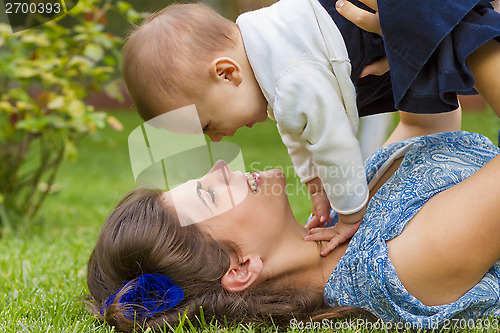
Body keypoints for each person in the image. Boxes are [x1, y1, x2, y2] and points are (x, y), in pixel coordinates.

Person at [121, 0, 475, 255]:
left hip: (367, 29)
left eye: (208, 125)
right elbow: (295, 129)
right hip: (357, 52)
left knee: (470, 39)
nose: (218, 138)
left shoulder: (291, 78)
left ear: (227, 73)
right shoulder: (264, 50)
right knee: (429, 97)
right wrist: (315, 181)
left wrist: (350, 215)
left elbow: (333, 141)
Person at [87, 130, 500, 332]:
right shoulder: (396, 264)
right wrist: (469, 34)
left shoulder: (347, 208)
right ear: (241, 267)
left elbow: (425, 119)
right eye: (210, 195)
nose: (219, 168)